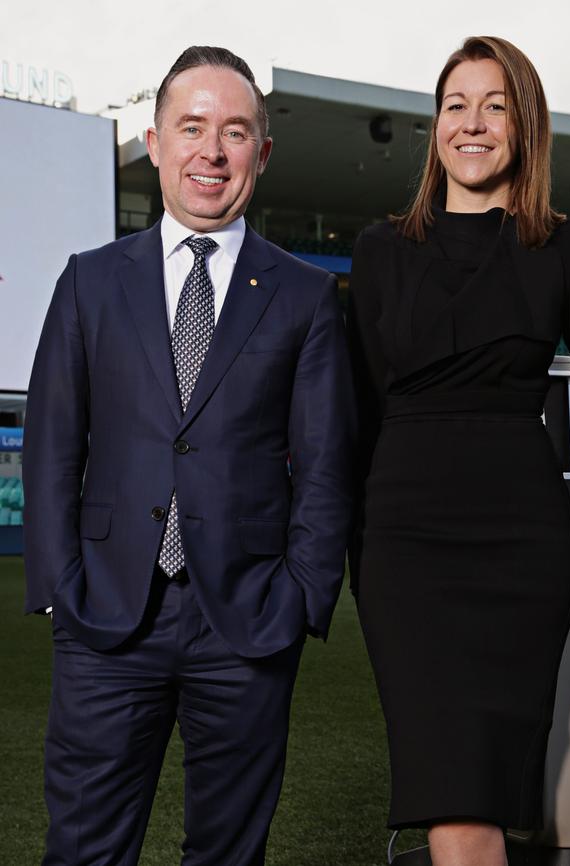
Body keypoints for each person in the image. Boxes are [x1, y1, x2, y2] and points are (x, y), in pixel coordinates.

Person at [23, 45, 355, 866]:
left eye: (235, 132)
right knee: (85, 851)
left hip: (246, 623)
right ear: (156, 140)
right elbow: (53, 446)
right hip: (106, 620)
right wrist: (62, 590)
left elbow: (325, 466)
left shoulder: (305, 295)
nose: (212, 151)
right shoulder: (89, 282)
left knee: (228, 855)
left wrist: (302, 600)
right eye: (193, 128)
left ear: (261, 154)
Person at [347, 36, 570, 866]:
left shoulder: (566, 246)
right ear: (435, 125)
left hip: (521, 548)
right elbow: (356, 416)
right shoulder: (377, 251)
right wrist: (345, 550)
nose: (472, 125)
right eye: (455, 105)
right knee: (453, 798)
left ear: (525, 125)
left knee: (489, 797)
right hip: (404, 555)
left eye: (495, 105)